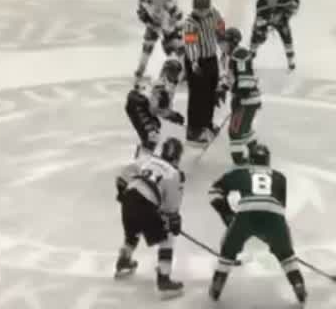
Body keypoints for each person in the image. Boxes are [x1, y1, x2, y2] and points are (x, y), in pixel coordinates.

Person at [208, 142, 306, 304]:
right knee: (286, 253)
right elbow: (280, 207)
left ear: (251, 160)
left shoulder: (241, 173)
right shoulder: (280, 177)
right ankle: (298, 283)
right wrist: (268, 234)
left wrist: (227, 214)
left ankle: (218, 284)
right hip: (274, 216)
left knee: (228, 249)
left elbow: (214, 193)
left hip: (246, 213)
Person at [114, 137, 186, 298]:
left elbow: (123, 175)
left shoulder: (147, 160)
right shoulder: (174, 174)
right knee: (166, 238)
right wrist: (173, 222)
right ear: (177, 157)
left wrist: (121, 192)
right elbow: (171, 209)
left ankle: (124, 261)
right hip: (146, 203)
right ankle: (164, 280)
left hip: (129, 197)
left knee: (132, 232)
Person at [181, 0, 227, 144]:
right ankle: (194, 130)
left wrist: (222, 39)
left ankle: (207, 125)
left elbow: (220, 26)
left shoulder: (214, 13)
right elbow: (191, 44)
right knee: (197, 96)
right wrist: (194, 62)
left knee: (210, 94)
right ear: (194, 8)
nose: (201, 12)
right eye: (198, 10)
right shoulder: (190, 23)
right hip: (196, 62)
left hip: (211, 59)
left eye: (204, 9)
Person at [222, 28, 264, 166]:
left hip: (246, 100)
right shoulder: (233, 55)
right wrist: (223, 89)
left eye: (224, 42)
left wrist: (241, 95)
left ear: (232, 42)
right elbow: (234, 79)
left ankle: (239, 162)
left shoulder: (239, 53)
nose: (221, 45)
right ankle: (256, 154)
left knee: (235, 131)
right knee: (244, 130)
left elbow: (244, 77)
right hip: (246, 99)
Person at [135, 0, 182, 81]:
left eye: (162, 1)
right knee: (147, 49)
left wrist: (171, 23)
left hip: (168, 27)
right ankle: (140, 72)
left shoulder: (170, 5)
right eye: (157, 0)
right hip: (153, 25)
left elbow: (179, 17)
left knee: (174, 50)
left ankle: (181, 71)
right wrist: (147, 21)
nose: (159, 3)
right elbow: (140, 11)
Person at [250, 0, 301, 71]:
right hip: (265, 20)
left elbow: (296, 2)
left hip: (281, 21)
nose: (271, 0)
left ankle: (291, 63)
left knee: (287, 37)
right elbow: (258, 22)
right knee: (256, 36)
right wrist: (265, 23)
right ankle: (250, 59)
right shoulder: (261, 3)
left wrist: (287, 14)